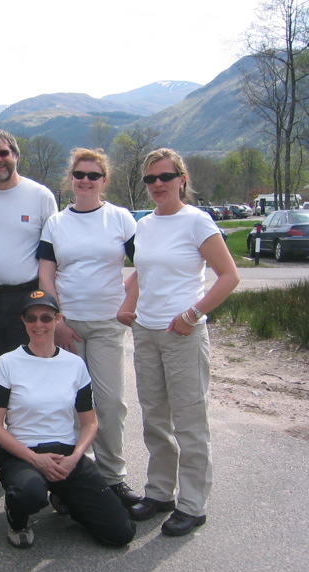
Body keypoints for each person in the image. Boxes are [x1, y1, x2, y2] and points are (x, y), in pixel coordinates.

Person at [117, 148, 239, 536]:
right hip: (147, 334)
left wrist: (192, 314)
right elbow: (142, 273)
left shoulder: (197, 222)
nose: (157, 185)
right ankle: (159, 493)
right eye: (150, 179)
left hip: (182, 335)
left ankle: (192, 504)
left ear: (181, 179)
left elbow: (228, 276)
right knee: (155, 419)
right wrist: (129, 305)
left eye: (164, 177)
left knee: (189, 421)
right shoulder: (146, 225)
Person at [0, 290, 136, 549]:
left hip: (67, 456)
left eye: (46, 317)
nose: (39, 324)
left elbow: (89, 423)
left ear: (58, 319)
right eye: (31, 318)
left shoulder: (74, 364)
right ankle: (18, 519)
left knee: (121, 533)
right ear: (23, 321)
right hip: (24, 454)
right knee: (29, 494)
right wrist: (35, 459)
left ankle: (70, 501)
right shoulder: (8, 363)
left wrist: (76, 457)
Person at [38, 148, 142, 508]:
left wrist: (126, 301)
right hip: (67, 326)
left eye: (93, 176)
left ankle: (114, 477)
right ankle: (74, 479)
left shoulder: (121, 219)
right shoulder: (56, 223)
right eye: (79, 174)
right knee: (69, 405)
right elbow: (46, 273)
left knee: (110, 402)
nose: (85, 181)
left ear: (104, 181)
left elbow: (144, 263)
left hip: (107, 325)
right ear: (71, 178)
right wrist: (58, 321)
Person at [0, 129, 58, 491]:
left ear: (16, 154)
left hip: (27, 299)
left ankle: (25, 462)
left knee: (27, 380)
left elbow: (53, 251)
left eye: (3, 153)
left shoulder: (40, 197)